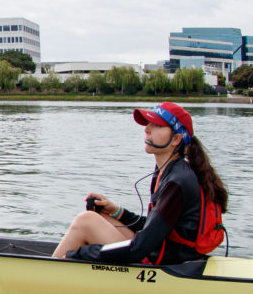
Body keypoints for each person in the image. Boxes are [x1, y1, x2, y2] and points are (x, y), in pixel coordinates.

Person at [52, 101, 228, 264]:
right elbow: (154, 229)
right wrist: (117, 211)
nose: (147, 129)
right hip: (165, 253)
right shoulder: (168, 171)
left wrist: (82, 254)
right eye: (148, 124)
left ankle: (52, 271)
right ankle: (58, 266)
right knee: (100, 217)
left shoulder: (177, 182)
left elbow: (139, 249)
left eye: (157, 125)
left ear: (176, 139)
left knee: (86, 221)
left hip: (166, 262)